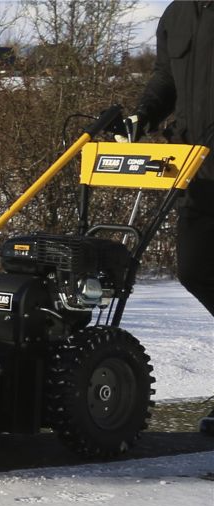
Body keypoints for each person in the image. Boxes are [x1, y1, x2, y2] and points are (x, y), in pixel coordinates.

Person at [125, 1, 214, 434]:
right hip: (196, 170)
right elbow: (167, 78)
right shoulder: (177, 15)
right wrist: (145, 112)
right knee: (196, 269)